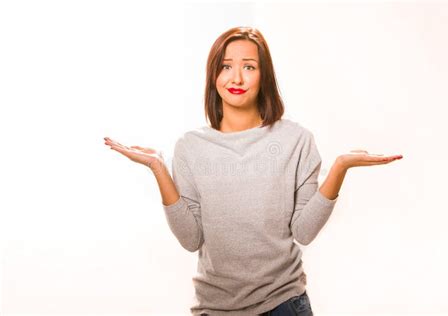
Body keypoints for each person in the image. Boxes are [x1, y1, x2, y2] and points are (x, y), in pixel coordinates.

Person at [103, 26, 403, 316]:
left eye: (248, 67)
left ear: (264, 76)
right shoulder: (191, 147)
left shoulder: (295, 140)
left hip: (284, 304)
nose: (236, 77)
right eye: (225, 66)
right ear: (213, 75)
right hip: (215, 308)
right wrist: (158, 169)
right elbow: (190, 239)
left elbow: (304, 232)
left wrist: (340, 168)